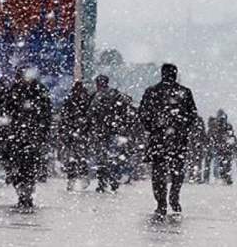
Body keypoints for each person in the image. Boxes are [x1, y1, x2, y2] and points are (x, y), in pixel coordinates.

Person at [138, 63, 199, 218]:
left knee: (159, 173)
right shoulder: (184, 92)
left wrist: (152, 127)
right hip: (177, 138)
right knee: (176, 170)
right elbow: (192, 114)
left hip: (159, 138)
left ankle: (161, 202)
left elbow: (143, 113)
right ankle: (173, 195)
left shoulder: (152, 92)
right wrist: (183, 127)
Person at [0, 66, 52, 209]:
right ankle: (22, 192)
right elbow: (6, 112)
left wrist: (42, 133)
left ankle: (26, 194)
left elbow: (46, 114)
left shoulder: (38, 92)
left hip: (32, 137)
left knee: (29, 168)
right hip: (16, 137)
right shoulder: (14, 91)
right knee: (16, 167)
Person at [88, 74, 134, 192]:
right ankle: (112, 180)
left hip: (103, 131)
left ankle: (104, 182)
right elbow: (127, 104)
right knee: (112, 157)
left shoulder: (96, 96)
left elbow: (90, 113)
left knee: (103, 158)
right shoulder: (114, 94)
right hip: (112, 131)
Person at [59, 80, 93, 191]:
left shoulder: (71, 100)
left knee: (75, 157)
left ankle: (74, 179)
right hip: (78, 133)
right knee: (77, 157)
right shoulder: (84, 100)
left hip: (76, 132)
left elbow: (64, 117)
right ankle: (77, 178)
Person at [208, 109, 236, 185]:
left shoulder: (218, 126)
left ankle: (225, 177)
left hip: (222, 149)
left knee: (222, 164)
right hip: (225, 148)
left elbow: (214, 137)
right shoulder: (226, 126)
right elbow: (232, 137)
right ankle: (226, 177)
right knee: (226, 164)